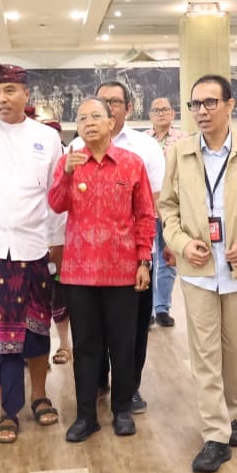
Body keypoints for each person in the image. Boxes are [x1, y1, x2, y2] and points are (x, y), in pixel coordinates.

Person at [158, 74, 237, 473]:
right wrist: (181, 242)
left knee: (235, 353)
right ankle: (215, 434)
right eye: (195, 104)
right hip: (197, 272)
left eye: (210, 102)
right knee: (205, 354)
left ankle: (228, 415)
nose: (202, 111)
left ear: (230, 105)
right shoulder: (179, 154)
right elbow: (167, 208)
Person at [0, 64, 66, 444]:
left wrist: (58, 242)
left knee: (36, 329)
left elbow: (56, 195)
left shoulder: (46, 137)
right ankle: (7, 410)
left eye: (9, 91)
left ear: (26, 95)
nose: (1, 99)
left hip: (33, 248)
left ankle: (39, 395)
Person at [49, 97, 154, 441]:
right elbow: (56, 204)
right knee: (85, 346)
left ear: (112, 122)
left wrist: (143, 260)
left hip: (122, 269)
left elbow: (145, 215)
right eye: (82, 119)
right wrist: (66, 174)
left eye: (96, 116)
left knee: (123, 344)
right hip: (79, 271)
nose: (89, 123)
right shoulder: (69, 162)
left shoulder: (132, 163)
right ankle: (86, 416)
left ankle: (122, 409)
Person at [70, 82, 164, 413]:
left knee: (130, 335)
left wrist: (146, 257)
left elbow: (152, 205)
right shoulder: (75, 151)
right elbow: (59, 204)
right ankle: (94, 391)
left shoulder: (143, 149)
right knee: (88, 337)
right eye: (97, 105)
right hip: (84, 265)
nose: (101, 113)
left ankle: (128, 393)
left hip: (130, 260)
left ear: (124, 109)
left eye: (113, 103)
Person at [146, 96, 185, 328]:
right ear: (150, 115)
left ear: (173, 113)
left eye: (165, 109)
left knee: (169, 258)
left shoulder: (183, 140)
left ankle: (162, 308)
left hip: (173, 208)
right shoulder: (142, 140)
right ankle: (148, 310)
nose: (161, 113)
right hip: (147, 208)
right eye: (156, 110)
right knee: (148, 259)